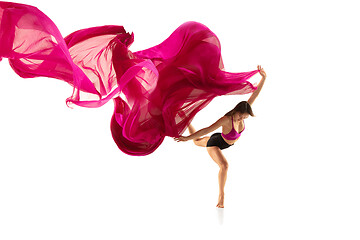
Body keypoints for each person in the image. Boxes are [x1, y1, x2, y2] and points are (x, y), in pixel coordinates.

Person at [174, 65, 267, 208]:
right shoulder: (226, 119)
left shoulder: (244, 109)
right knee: (224, 166)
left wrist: (264, 78)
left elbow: (255, 94)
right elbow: (206, 130)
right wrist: (185, 139)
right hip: (216, 143)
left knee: (196, 142)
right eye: (244, 117)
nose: (244, 119)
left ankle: (185, 119)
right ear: (239, 112)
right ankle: (221, 197)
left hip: (223, 141)